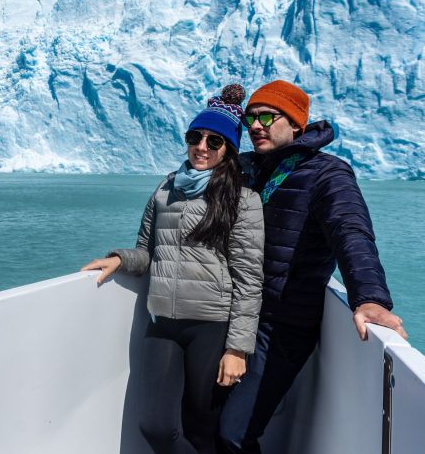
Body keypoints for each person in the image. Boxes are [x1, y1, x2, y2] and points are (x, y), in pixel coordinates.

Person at [217, 79, 407, 453]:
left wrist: (369, 297)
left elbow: (350, 230)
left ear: (296, 124)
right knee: (205, 419)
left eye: (268, 117)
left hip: (280, 325)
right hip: (233, 313)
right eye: (250, 118)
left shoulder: (327, 174)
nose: (256, 126)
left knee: (234, 434)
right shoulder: (245, 167)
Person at [81, 84, 265, 454]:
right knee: (155, 427)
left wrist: (238, 349)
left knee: (201, 430)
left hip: (211, 328)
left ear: (228, 149)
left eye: (214, 141)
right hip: (163, 323)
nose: (202, 147)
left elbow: (249, 281)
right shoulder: (166, 188)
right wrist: (121, 259)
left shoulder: (243, 200)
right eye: (195, 137)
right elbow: (148, 252)